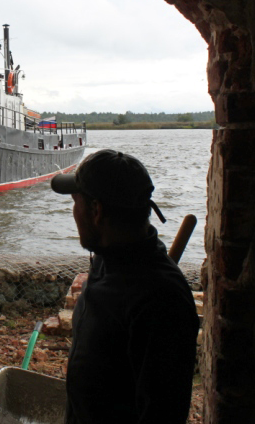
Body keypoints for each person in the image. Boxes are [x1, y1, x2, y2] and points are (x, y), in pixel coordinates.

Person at [51, 149, 199, 423]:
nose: (74, 213)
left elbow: (163, 414)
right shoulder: (108, 259)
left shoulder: (161, 301)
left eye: (75, 202)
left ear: (97, 210)